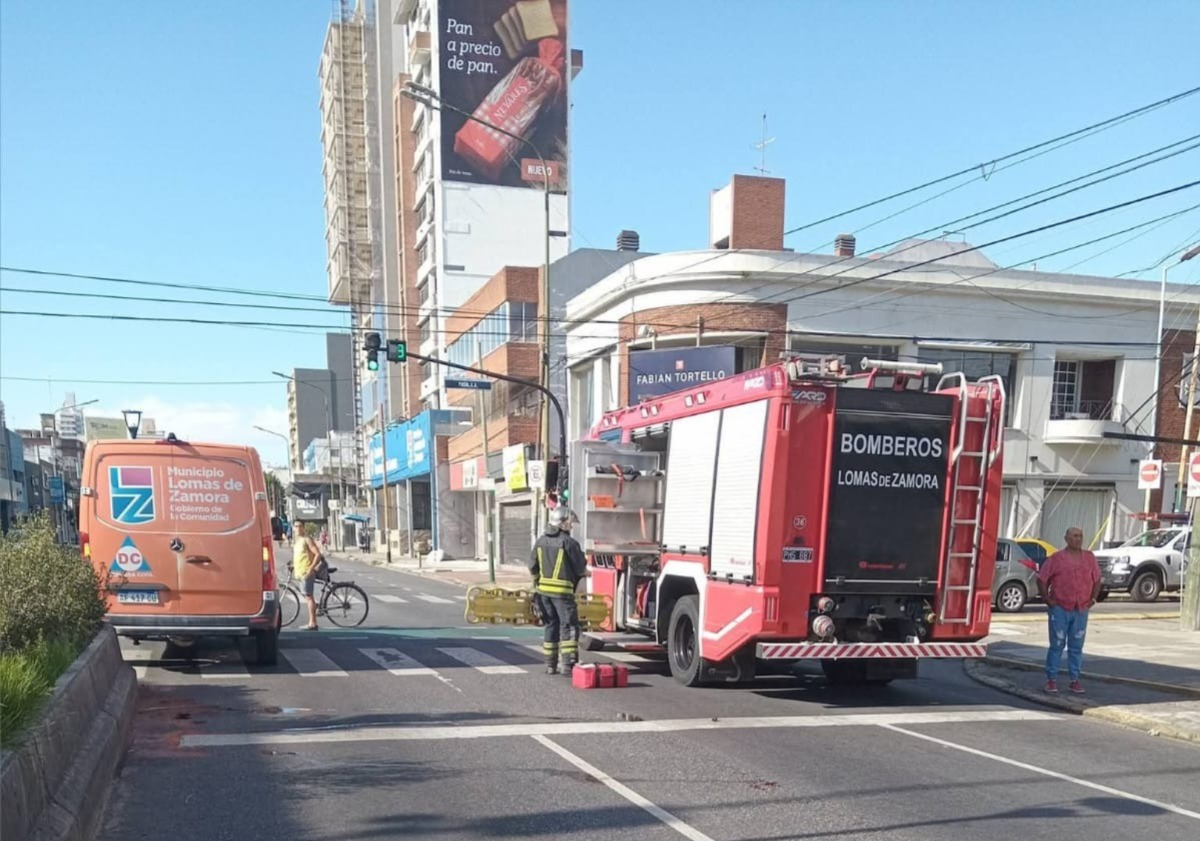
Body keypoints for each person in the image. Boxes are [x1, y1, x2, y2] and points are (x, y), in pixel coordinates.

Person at [1036, 526, 1102, 695]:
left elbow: (1097, 580)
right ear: (1066, 538)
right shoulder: (1056, 558)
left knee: (1076, 646)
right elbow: (1042, 579)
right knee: (1057, 644)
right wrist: (1048, 600)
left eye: (1080, 536)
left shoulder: (1089, 558)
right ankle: (1051, 680)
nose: (1078, 539)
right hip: (1060, 608)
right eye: (1074, 536)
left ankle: (1075, 680)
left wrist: (1092, 599)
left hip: (1081, 608)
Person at [529, 505, 588, 675]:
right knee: (568, 626)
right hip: (562, 594)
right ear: (562, 522)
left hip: (543, 595)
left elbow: (532, 567)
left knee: (550, 626)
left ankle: (550, 665)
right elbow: (580, 569)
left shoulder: (540, 542)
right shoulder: (569, 543)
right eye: (570, 523)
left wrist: (537, 587)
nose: (571, 526)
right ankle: (568, 665)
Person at [292, 522, 327, 631]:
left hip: (306, 572)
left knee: (308, 597)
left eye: (300, 526)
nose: (297, 528)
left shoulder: (307, 540)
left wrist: (310, 569)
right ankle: (314, 609)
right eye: (296, 526)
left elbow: (318, 554)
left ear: (303, 528)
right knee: (307, 596)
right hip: (300, 572)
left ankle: (313, 623)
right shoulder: (297, 542)